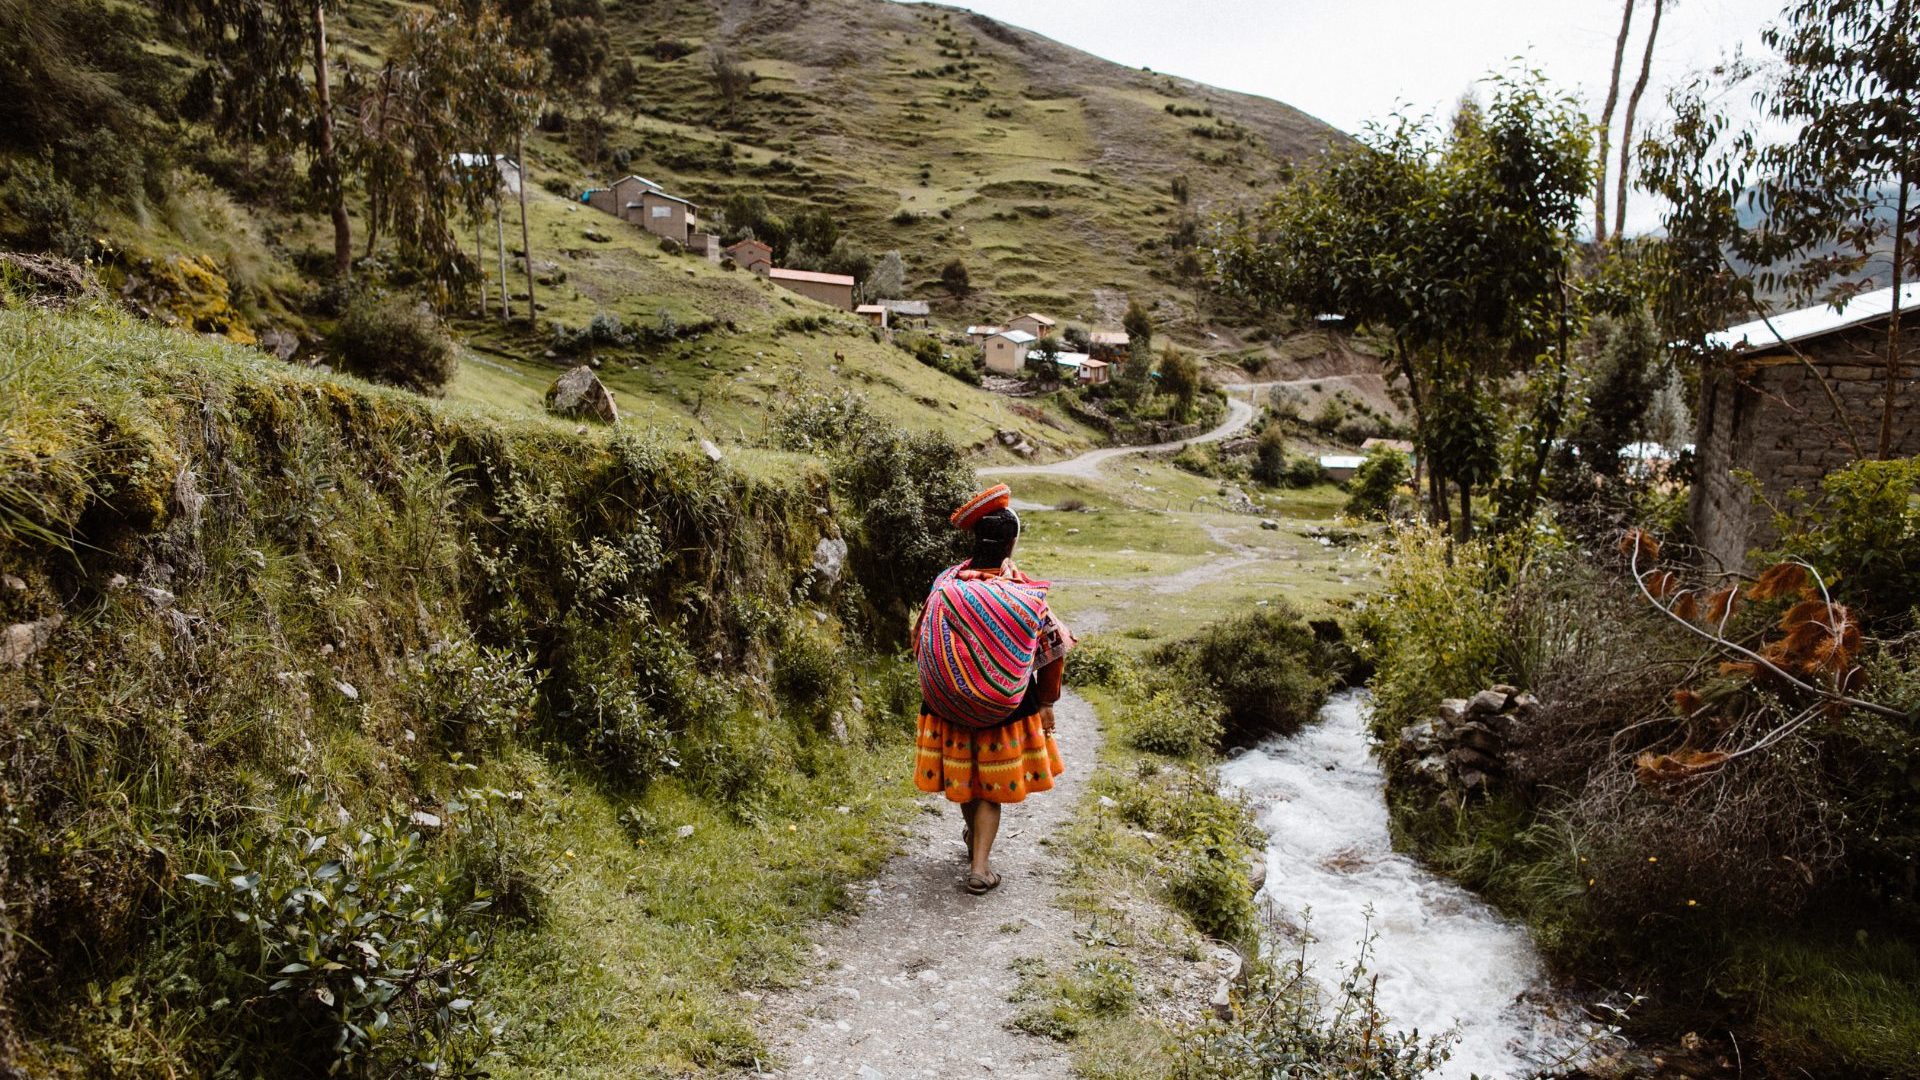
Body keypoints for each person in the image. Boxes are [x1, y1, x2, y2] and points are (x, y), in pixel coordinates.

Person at [913, 483, 1073, 895]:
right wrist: (1047, 701)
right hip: (1005, 707)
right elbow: (1053, 648)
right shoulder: (1023, 594)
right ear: (1012, 543)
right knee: (990, 788)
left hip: (948, 703)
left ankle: (974, 845)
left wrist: (951, 684)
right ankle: (980, 867)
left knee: (966, 778)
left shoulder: (946, 585)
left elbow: (922, 638)